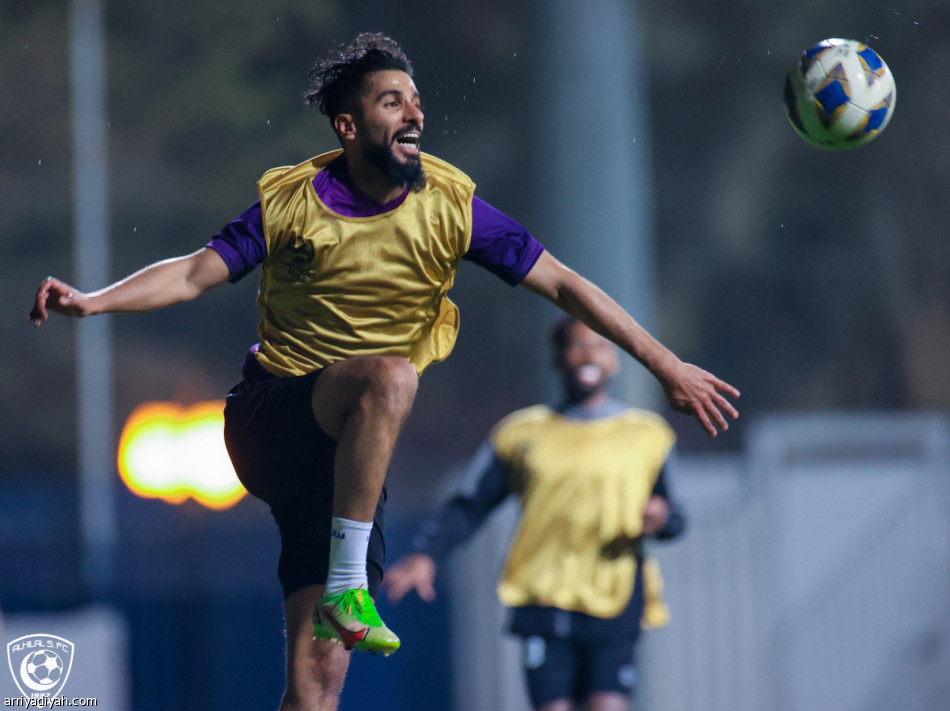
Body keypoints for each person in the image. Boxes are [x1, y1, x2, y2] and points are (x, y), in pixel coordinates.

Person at [28, 33, 738, 711]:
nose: (415, 112)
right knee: (393, 378)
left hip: (345, 476)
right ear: (346, 125)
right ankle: (347, 585)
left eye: (416, 100)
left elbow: (565, 284)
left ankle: (342, 586)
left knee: (316, 686)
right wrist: (94, 302)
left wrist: (666, 363)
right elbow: (190, 273)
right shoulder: (292, 204)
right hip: (270, 417)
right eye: (392, 100)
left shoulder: (451, 207)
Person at [385, 318, 686, 711]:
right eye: (576, 345)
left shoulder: (648, 435)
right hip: (545, 598)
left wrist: (661, 520)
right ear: (559, 358)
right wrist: (427, 554)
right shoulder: (521, 433)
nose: (588, 355)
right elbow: (471, 503)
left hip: (616, 594)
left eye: (600, 346)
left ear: (615, 359)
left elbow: (674, 515)